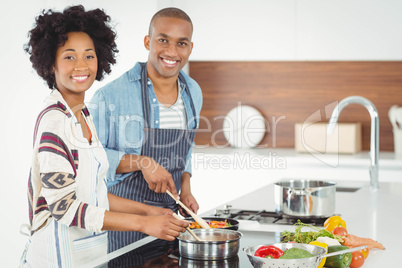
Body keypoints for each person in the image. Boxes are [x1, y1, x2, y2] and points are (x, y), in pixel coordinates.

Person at [21, 5, 188, 267]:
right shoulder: (54, 122)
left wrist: (150, 211)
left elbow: (94, 193)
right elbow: (64, 208)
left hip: (91, 253)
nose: (81, 66)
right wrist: (144, 223)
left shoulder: (82, 115)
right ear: (50, 64)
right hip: (58, 256)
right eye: (69, 57)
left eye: (89, 56)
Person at [89, 7, 203, 251]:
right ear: (147, 41)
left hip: (169, 223)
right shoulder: (110, 95)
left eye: (181, 43)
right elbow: (89, 161)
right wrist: (143, 162)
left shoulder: (193, 92)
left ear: (190, 48)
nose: (172, 52)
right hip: (124, 227)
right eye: (163, 40)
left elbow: (187, 150)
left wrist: (186, 190)